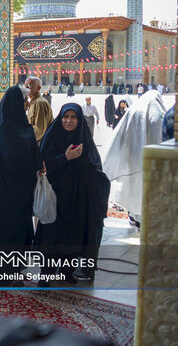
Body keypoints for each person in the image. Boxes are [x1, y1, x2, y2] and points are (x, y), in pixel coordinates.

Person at [36, 104, 111, 285]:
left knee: (72, 236)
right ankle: (46, 273)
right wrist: (66, 158)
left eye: (73, 117)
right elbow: (43, 163)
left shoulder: (84, 140)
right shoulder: (52, 136)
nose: (69, 121)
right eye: (65, 117)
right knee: (52, 236)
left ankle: (67, 272)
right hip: (55, 197)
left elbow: (95, 167)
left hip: (77, 198)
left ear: (79, 120)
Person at [0, 86, 45, 286]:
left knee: (4, 232)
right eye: (23, 101)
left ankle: (4, 272)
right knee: (15, 233)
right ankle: (9, 273)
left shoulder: (1, 129)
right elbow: (34, 161)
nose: (27, 104)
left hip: (2, 192)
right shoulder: (24, 131)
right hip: (19, 192)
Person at [104, 91, 166, 229]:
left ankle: (135, 218)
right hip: (154, 161)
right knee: (149, 190)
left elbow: (120, 135)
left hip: (133, 159)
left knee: (134, 187)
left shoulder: (133, 112)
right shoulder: (160, 114)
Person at [25, 76, 54, 143]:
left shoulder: (39, 103)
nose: (26, 89)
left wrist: (23, 137)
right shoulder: (33, 102)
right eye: (25, 86)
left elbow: (39, 131)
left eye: (29, 86)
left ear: (38, 88)